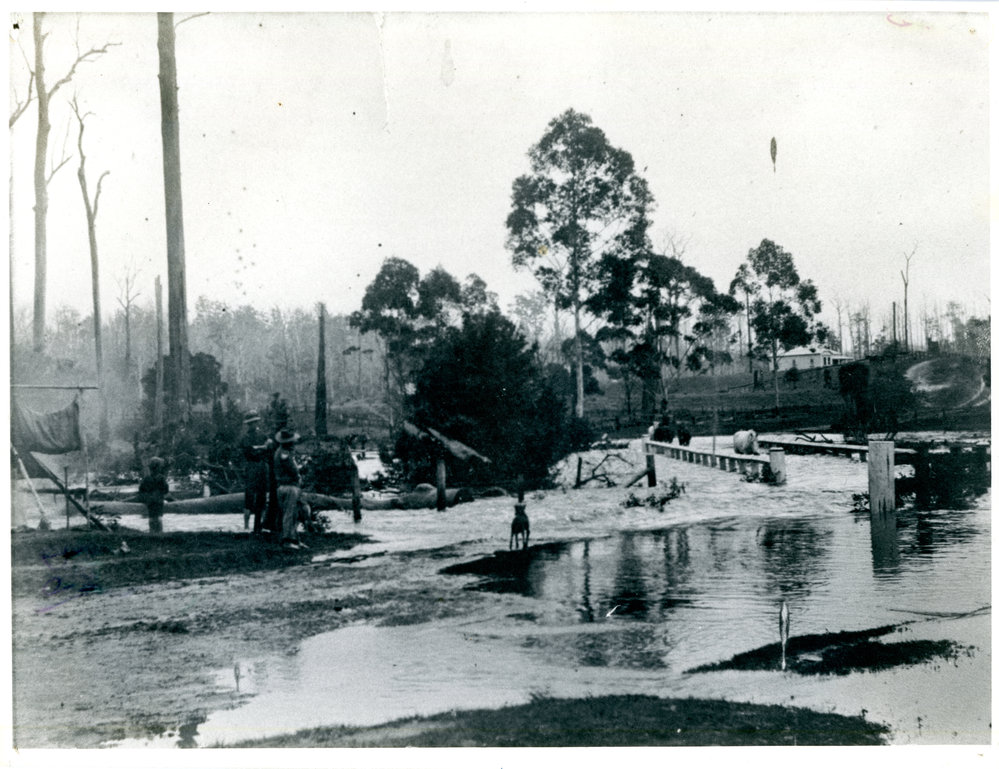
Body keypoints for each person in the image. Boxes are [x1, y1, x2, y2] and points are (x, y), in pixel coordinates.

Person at [273, 428, 306, 550]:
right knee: (289, 514)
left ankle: (294, 539)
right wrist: (302, 468)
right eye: (292, 441)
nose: (294, 443)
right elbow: (293, 470)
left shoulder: (281, 452)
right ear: (288, 442)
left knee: (294, 513)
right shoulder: (285, 454)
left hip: (285, 486)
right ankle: (287, 541)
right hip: (288, 487)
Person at [240, 411, 271, 533]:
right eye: (251, 423)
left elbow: (267, 449)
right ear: (248, 424)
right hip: (252, 466)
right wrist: (262, 448)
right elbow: (249, 452)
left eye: (255, 422)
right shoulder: (246, 438)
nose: (253, 425)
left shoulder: (263, 435)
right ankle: (246, 525)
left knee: (262, 494)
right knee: (249, 495)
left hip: (261, 466)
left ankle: (260, 524)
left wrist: (260, 449)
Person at [138, 457, 170, 533]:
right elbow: (165, 490)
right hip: (158, 500)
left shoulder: (146, 478)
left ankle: (152, 532)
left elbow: (141, 490)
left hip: (149, 500)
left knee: (151, 517)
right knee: (158, 517)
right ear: (158, 468)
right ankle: (159, 533)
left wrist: (146, 496)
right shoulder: (161, 478)